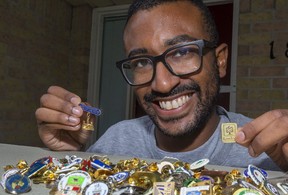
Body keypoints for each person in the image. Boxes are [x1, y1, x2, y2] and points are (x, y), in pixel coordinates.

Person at [35, 0, 288, 171]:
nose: (163, 84)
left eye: (182, 52)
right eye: (141, 61)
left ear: (220, 61)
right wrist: (69, 156)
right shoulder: (117, 139)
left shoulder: (269, 151)